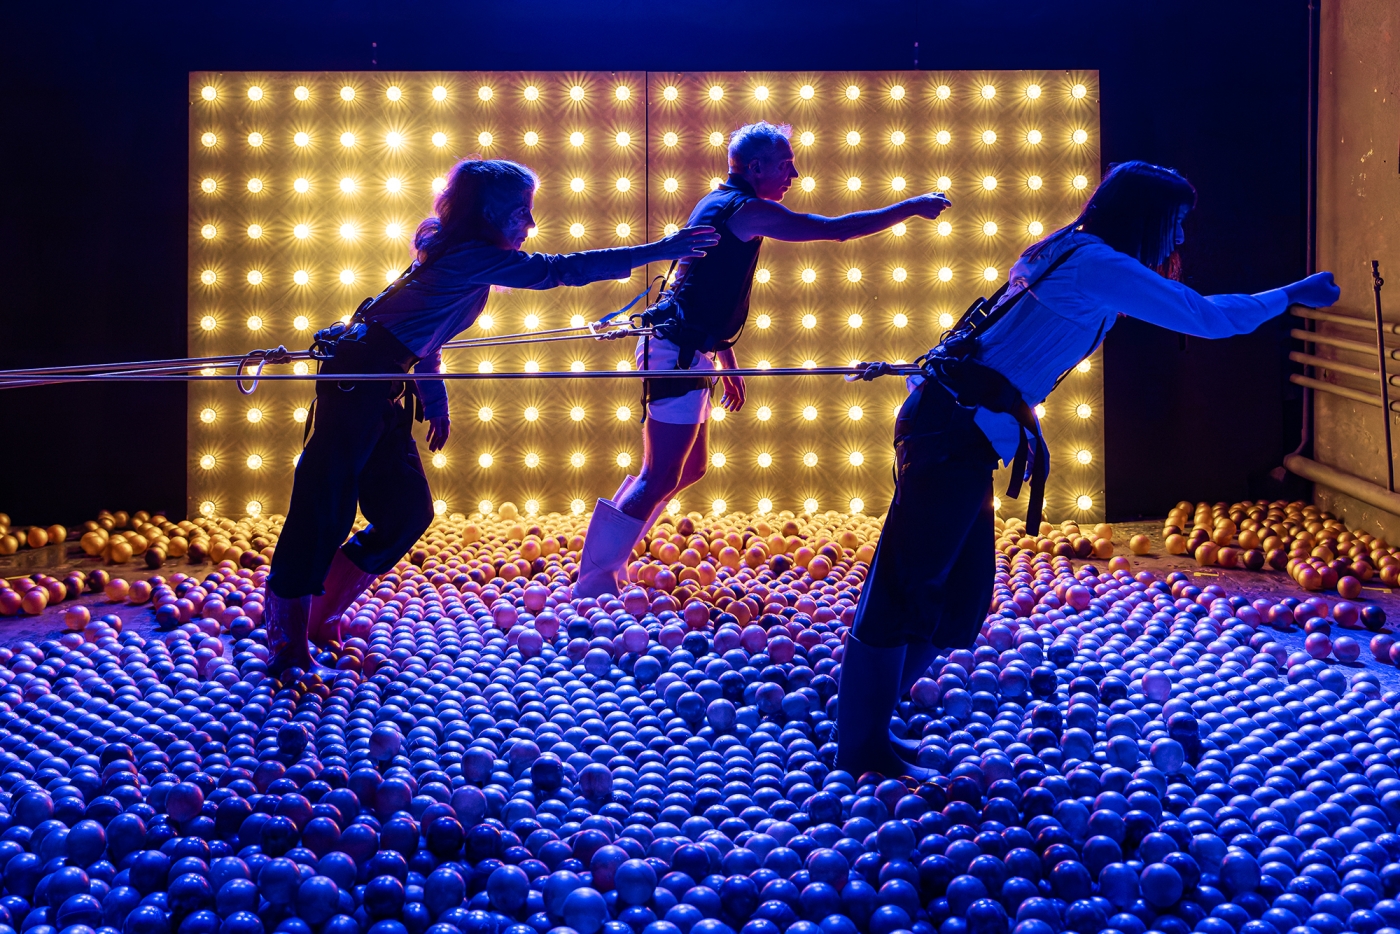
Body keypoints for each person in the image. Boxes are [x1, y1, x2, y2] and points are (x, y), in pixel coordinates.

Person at [835, 160, 1342, 780]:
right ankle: (858, 748)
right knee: (905, 590)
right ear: (1147, 218)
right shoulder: (1097, 264)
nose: (1179, 239)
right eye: (1176, 224)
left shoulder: (1068, 248)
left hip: (957, 426)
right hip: (951, 428)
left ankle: (870, 729)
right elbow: (1208, 318)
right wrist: (1291, 293)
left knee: (952, 601)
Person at [263, 157, 719, 676]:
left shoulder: (470, 262)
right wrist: (659, 251)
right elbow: (557, 271)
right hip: (356, 383)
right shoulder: (465, 258)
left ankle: (321, 616)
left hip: (386, 386)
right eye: (520, 213)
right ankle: (287, 643)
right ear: (488, 212)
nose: (529, 225)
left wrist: (435, 403)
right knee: (323, 512)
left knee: (407, 514)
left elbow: (426, 343)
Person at [573, 120, 953, 597]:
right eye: (786, 165)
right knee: (659, 474)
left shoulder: (718, 202)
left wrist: (726, 364)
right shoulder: (745, 210)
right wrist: (912, 207)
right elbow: (835, 231)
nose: (793, 176)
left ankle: (610, 565)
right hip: (677, 353)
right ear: (755, 168)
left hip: (689, 351)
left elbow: (700, 292)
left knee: (686, 469)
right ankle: (595, 581)